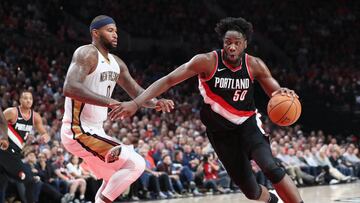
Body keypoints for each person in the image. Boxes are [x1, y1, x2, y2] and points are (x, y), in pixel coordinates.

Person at [113, 17, 304, 203]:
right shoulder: (207, 61)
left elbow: (276, 93)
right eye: (228, 42)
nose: (231, 46)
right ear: (223, 42)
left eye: (237, 43)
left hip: (248, 124)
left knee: (271, 167)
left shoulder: (254, 64)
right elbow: (169, 80)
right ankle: (272, 200)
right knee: (251, 191)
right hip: (220, 134)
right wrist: (136, 103)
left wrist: (282, 93)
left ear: (244, 44)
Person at [61, 15, 174, 203]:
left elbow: (136, 92)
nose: (115, 35)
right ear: (95, 33)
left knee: (116, 175)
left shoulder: (117, 63)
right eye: (110, 30)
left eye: (116, 31)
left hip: (96, 130)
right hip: (77, 129)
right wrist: (110, 102)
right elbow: (70, 87)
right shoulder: (86, 53)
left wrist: (156, 102)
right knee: (136, 163)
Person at [0, 91, 50, 203]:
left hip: (15, 152)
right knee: (31, 180)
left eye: (30, 99)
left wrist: (45, 138)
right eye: (25, 98)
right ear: (20, 100)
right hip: (5, 151)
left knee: (2, 184)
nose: (28, 100)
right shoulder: (12, 112)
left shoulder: (35, 117)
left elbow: (45, 134)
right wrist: (3, 137)